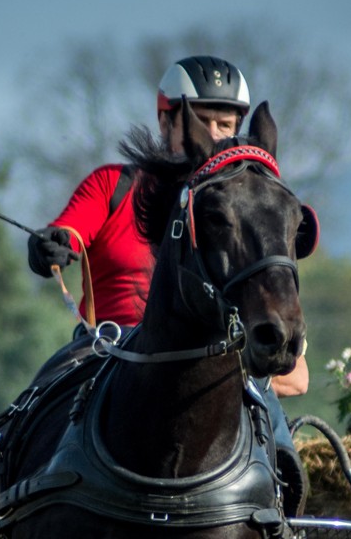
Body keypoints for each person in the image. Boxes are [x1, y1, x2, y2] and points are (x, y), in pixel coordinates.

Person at [27, 54, 309, 398]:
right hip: (111, 356)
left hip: (219, 357)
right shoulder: (113, 184)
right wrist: (52, 244)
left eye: (226, 125)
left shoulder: (244, 202)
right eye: (202, 121)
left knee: (275, 432)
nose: (215, 135)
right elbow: (68, 231)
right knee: (37, 409)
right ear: (165, 122)